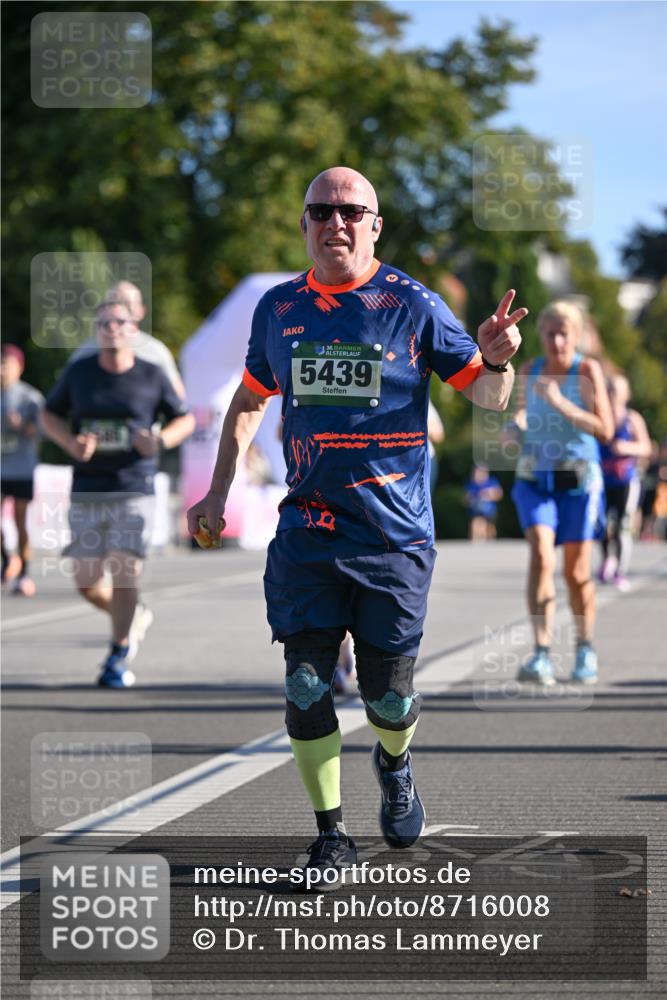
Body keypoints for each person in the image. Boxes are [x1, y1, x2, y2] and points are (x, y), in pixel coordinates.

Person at [187, 166, 525, 883]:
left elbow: (488, 398)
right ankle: (329, 834)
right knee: (307, 685)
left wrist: (498, 361)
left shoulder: (413, 305)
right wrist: (216, 492)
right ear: (304, 224)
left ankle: (395, 763)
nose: (334, 223)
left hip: (392, 535)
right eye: (319, 210)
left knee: (388, 699)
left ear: (374, 225)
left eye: (350, 211)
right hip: (308, 529)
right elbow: (249, 401)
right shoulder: (278, 310)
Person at [41, 298, 194, 688]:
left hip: (133, 485)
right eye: (104, 322)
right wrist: (71, 443)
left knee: (126, 568)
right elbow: (49, 414)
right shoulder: (79, 373)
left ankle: (118, 651)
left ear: (133, 330)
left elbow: (185, 419)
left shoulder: (151, 373)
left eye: (119, 322)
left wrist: (158, 440)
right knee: (87, 581)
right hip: (88, 488)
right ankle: (132, 615)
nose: (111, 328)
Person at [508, 300, 613, 687]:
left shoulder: (586, 370)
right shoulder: (530, 370)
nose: (556, 340)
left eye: (563, 333)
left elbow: (605, 428)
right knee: (540, 554)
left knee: (577, 571)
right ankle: (541, 653)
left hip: (578, 481)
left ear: (577, 335)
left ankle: (584, 647)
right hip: (536, 478)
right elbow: (521, 414)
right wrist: (514, 428)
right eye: (550, 332)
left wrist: (562, 404)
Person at [67, 281, 186, 399]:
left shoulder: (156, 352)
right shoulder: (85, 352)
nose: (120, 309)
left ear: (141, 311)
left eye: (127, 304)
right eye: (114, 303)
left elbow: (177, 397)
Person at [598, 374, 651, 590]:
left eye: (616, 391)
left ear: (625, 395)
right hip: (601, 481)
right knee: (599, 526)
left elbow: (647, 448)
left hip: (625, 481)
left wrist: (626, 448)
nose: (612, 394)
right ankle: (607, 560)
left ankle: (620, 571)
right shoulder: (599, 417)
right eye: (609, 390)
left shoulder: (632, 419)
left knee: (622, 525)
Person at [1, 344, 44, 595]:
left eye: (6, 364)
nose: (1, 369)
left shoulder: (30, 397)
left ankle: (24, 572)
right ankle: (6, 559)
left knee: (19, 520)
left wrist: (22, 426)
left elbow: (44, 431)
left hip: (21, 468)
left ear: (19, 367)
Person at [465, 463, 503, 541]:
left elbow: (499, 494)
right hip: (476, 511)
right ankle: (475, 541)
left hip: (490, 511)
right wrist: (470, 498)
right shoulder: (471, 485)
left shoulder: (491, 482)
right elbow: (466, 499)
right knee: (476, 524)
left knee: (490, 528)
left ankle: (489, 540)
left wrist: (490, 494)